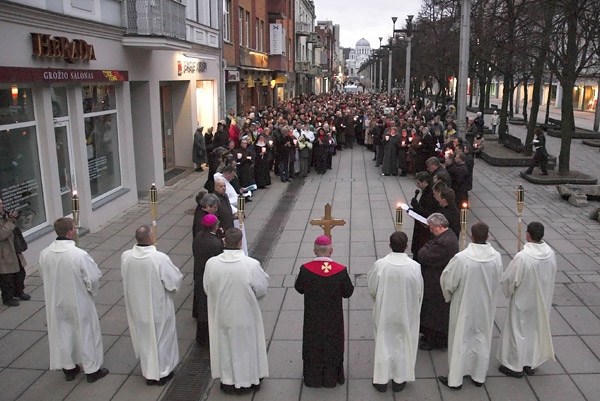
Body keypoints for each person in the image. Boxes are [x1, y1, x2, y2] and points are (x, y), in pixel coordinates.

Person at [39, 218, 108, 383]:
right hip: (79, 299)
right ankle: (92, 370)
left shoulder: (45, 254)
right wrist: (91, 291)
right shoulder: (79, 255)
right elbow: (93, 277)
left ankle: (69, 368)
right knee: (86, 333)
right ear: (70, 232)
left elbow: (44, 275)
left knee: (63, 334)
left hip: (57, 301)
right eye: (75, 228)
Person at [438, 222, 503, 389]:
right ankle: (478, 375)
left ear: (472, 236)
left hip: (464, 305)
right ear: (488, 236)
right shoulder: (496, 257)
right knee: (481, 338)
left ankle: (456, 379)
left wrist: (448, 296)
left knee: (461, 339)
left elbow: (448, 281)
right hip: (485, 305)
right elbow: (498, 279)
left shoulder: (462, 258)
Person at [204, 228, 269, 394]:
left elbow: (207, 287)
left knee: (226, 347)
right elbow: (261, 288)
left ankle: (228, 380)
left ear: (224, 241)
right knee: (246, 347)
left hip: (223, 313)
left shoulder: (212, 264)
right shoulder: (251, 265)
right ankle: (248, 380)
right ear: (241, 243)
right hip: (245, 314)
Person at [121, 226, 183, 386]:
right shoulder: (159, 258)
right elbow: (173, 281)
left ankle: (149, 372)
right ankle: (162, 372)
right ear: (150, 238)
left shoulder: (126, 256)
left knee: (145, 339)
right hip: (158, 306)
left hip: (138, 306)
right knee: (162, 339)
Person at [497, 222, 557, 378]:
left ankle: (515, 366)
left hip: (523, 300)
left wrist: (508, 290)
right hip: (541, 300)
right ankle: (530, 363)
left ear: (528, 235)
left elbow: (509, 279)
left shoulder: (523, 257)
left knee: (518, 331)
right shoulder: (550, 253)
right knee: (534, 331)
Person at [295, 235, 354, 388]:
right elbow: (348, 292)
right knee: (332, 345)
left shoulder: (305, 270)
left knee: (313, 345)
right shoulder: (340, 271)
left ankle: (313, 378)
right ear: (331, 251)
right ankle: (331, 378)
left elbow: (299, 288)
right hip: (333, 319)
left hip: (313, 318)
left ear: (315, 251)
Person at [367, 231, 423, 393]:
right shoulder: (414, 267)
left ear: (389, 245)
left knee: (383, 342)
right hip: (406, 311)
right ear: (406, 246)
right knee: (403, 342)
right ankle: (399, 379)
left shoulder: (380, 265)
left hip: (385, 310)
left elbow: (372, 287)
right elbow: (419, 290)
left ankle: (381, 380)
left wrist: (379, 299)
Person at [417, 213, 459, 350]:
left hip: (437, 282)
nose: (430, 230)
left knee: (435, 313)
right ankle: (430, 336)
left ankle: (436, 340)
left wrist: (425, 248)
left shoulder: (445, 243)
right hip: (434, 280)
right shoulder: (445, 237)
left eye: (432, 228)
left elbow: (423, 255)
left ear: (440, 226)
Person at [192, 214, 223, 346]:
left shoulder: (199, 236)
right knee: (209, 307)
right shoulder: (215, 244)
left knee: (202, 306)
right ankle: (207, 338)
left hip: (199, 274)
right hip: (209, 277)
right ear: (215, 226)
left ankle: (200, 337)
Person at [0, 198, 30, 306]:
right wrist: (9, 222)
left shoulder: (4, 215)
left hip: (14, 250)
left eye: (1, 203)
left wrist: (12, 219)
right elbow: (2, 235)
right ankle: (8, 298)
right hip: (4, 254)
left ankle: (19, 291)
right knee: (7, 278)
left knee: (20, 273)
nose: (2, 206)